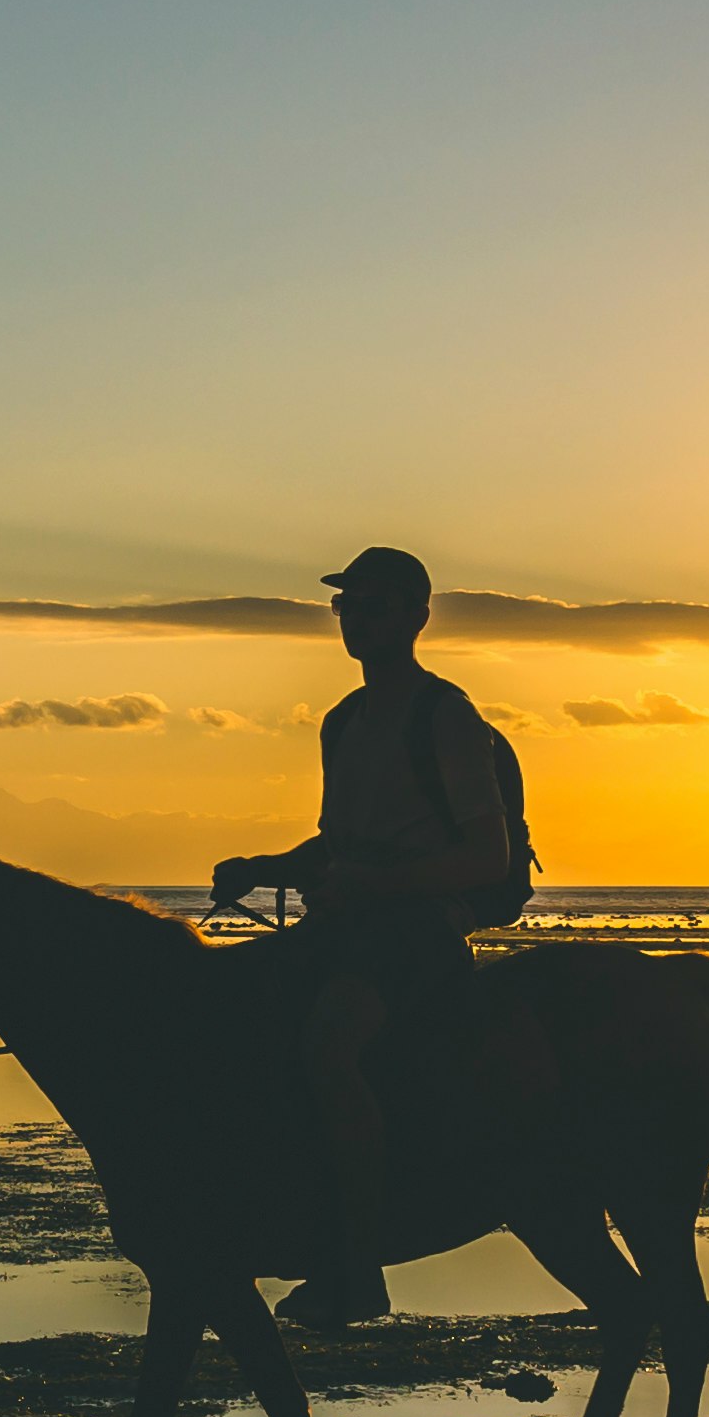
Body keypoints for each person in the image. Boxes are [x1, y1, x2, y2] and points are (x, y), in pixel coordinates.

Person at [211, 545, 533, 1328]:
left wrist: (372, 885)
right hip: (347, 927)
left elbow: (484, 855)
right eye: (346, 605)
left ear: (416, 617)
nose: (356, 618)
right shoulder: (344, 722)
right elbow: (338, 846)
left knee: (329, 1044)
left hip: (415, 935)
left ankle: (356, 1265)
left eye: (373, 605)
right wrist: (264, 865)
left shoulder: (446, 716)